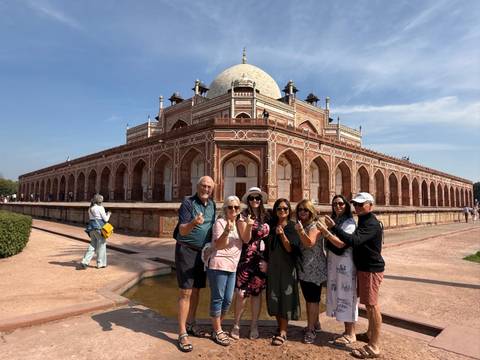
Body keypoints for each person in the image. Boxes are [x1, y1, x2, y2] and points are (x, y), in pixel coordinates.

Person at [318, 192, 384, 359]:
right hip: (363, 267)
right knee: (367, 303)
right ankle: (369, 334)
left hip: (371, 268)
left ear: (371, 205)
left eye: (361, 204)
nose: (358, 207)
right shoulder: (363, 220)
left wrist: (331, 229)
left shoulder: (371, 224)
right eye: (356, 204)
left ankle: (374, 346)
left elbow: (352, 242)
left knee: (372, 305)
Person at [174, 176, 216, 353]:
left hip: (202, 253)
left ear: (212, 189)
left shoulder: (213, 205)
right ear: (197, 186)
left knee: (197, 289)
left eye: (209, 187)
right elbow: (182, 229)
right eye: (203, 186)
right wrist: (193, 223)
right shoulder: (188, 203)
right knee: (186, 291)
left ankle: (191, 323)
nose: (206, 189)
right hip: (186, 250)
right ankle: (182, 332)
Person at [207, 195, 249, 346]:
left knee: (228, 300)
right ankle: (218, 331)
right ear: (225, 208)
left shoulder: (239, 223)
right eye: (230, 207)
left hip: (232, 267)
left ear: (239, 210)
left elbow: (246, 239)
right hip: (218, 265)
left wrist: (248, 225)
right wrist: (226, 231)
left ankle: (216, 327)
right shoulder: (220, 222)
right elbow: (218, 245)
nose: (233, 210)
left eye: (236, 207)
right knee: (217, 299)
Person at [231, 187, 270, 340]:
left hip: (261, 260)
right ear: (248, 200)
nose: (255, 200)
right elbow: (246, 239)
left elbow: (270, 239)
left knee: (256, 294)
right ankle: (236, 324)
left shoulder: (266, 216)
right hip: (246, 259)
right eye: (252, 198)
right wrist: (248, 224)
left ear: (261, 200)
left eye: (257, 198)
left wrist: (268, 261)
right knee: (241, 294)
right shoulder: (243, 215)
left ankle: (254, 325)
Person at [323, 194, 358, 346]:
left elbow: (341, 244)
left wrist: (326, 232)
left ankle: (351, 334)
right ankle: (347, 331)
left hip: (346, 266)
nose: (338, 206)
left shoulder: (349, 222)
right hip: (335, 264)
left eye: (341, 204)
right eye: (335, 204)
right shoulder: (336, 221)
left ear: (346, 206)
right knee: (340, 296)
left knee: (347, 296)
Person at [265, 198, 301, 346]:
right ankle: (279, 326)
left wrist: (282, 235)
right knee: (274, 296)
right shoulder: (272, 226)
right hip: (273, 267)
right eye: (279, 209)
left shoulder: (292, 227)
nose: (282, 211)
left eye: (285, 209)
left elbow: (290, 248)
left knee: (285, 297)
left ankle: (283, 332)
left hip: (287, 267)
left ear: (289, 211)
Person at [294, 199, 326, 344]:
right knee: (310, 298)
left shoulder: (315, 225)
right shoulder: (305, 225)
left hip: (315, 268)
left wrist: (300, 231)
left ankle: (311, 330)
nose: (302, 212)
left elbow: (309, 243)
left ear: (311, 211)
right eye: (300, 210)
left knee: (312, 299)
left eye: (305, 210)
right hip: (305, 267)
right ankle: (315, 324)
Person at [78, 194, 111, 270]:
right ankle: (100, 263)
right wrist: (108, 214)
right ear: (100, 201)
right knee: (101, 246)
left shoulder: (90, 208)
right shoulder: (100, 208)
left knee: (92, 245)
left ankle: (85, 261)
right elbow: (106, 219)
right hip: (99, 228)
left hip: (91, 228)